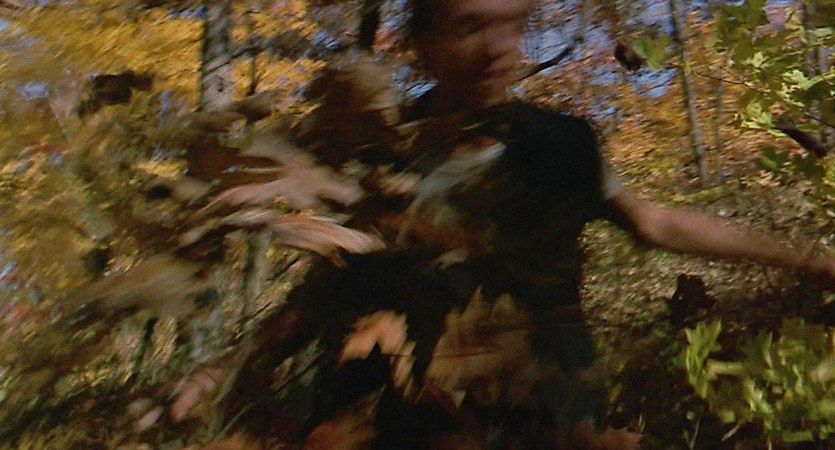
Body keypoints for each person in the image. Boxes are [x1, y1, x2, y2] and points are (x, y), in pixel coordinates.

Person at [172, 0, 835, 447]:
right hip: (398, 420)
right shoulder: (378, 151)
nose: (496, 49)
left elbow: (656, 222)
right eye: (468, 26)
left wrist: (808, 259)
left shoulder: (562, 146)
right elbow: (326, 286)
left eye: (512, 24)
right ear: (421, 44)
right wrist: (231, 366)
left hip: (546, 410)